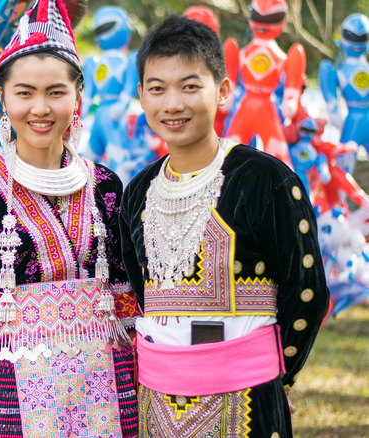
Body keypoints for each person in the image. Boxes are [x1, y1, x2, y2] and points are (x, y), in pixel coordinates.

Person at [119, 15, 329, 437]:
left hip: (249, 395)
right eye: (157, 89)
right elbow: (138, 291)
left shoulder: (265, 180)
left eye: (190, 86)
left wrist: (277, 375)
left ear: (224, 90)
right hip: (155, 400)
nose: (172, 103)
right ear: (141, 96)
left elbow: (305, 290)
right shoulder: (138, 191)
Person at [0, 1, 140, 437]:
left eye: (55, 92)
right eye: (24, 92)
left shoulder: (105, 187)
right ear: (4, 97)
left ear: (77, 97)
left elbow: (128, 304)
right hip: (14, 393)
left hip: (110, 386)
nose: (40, 108)